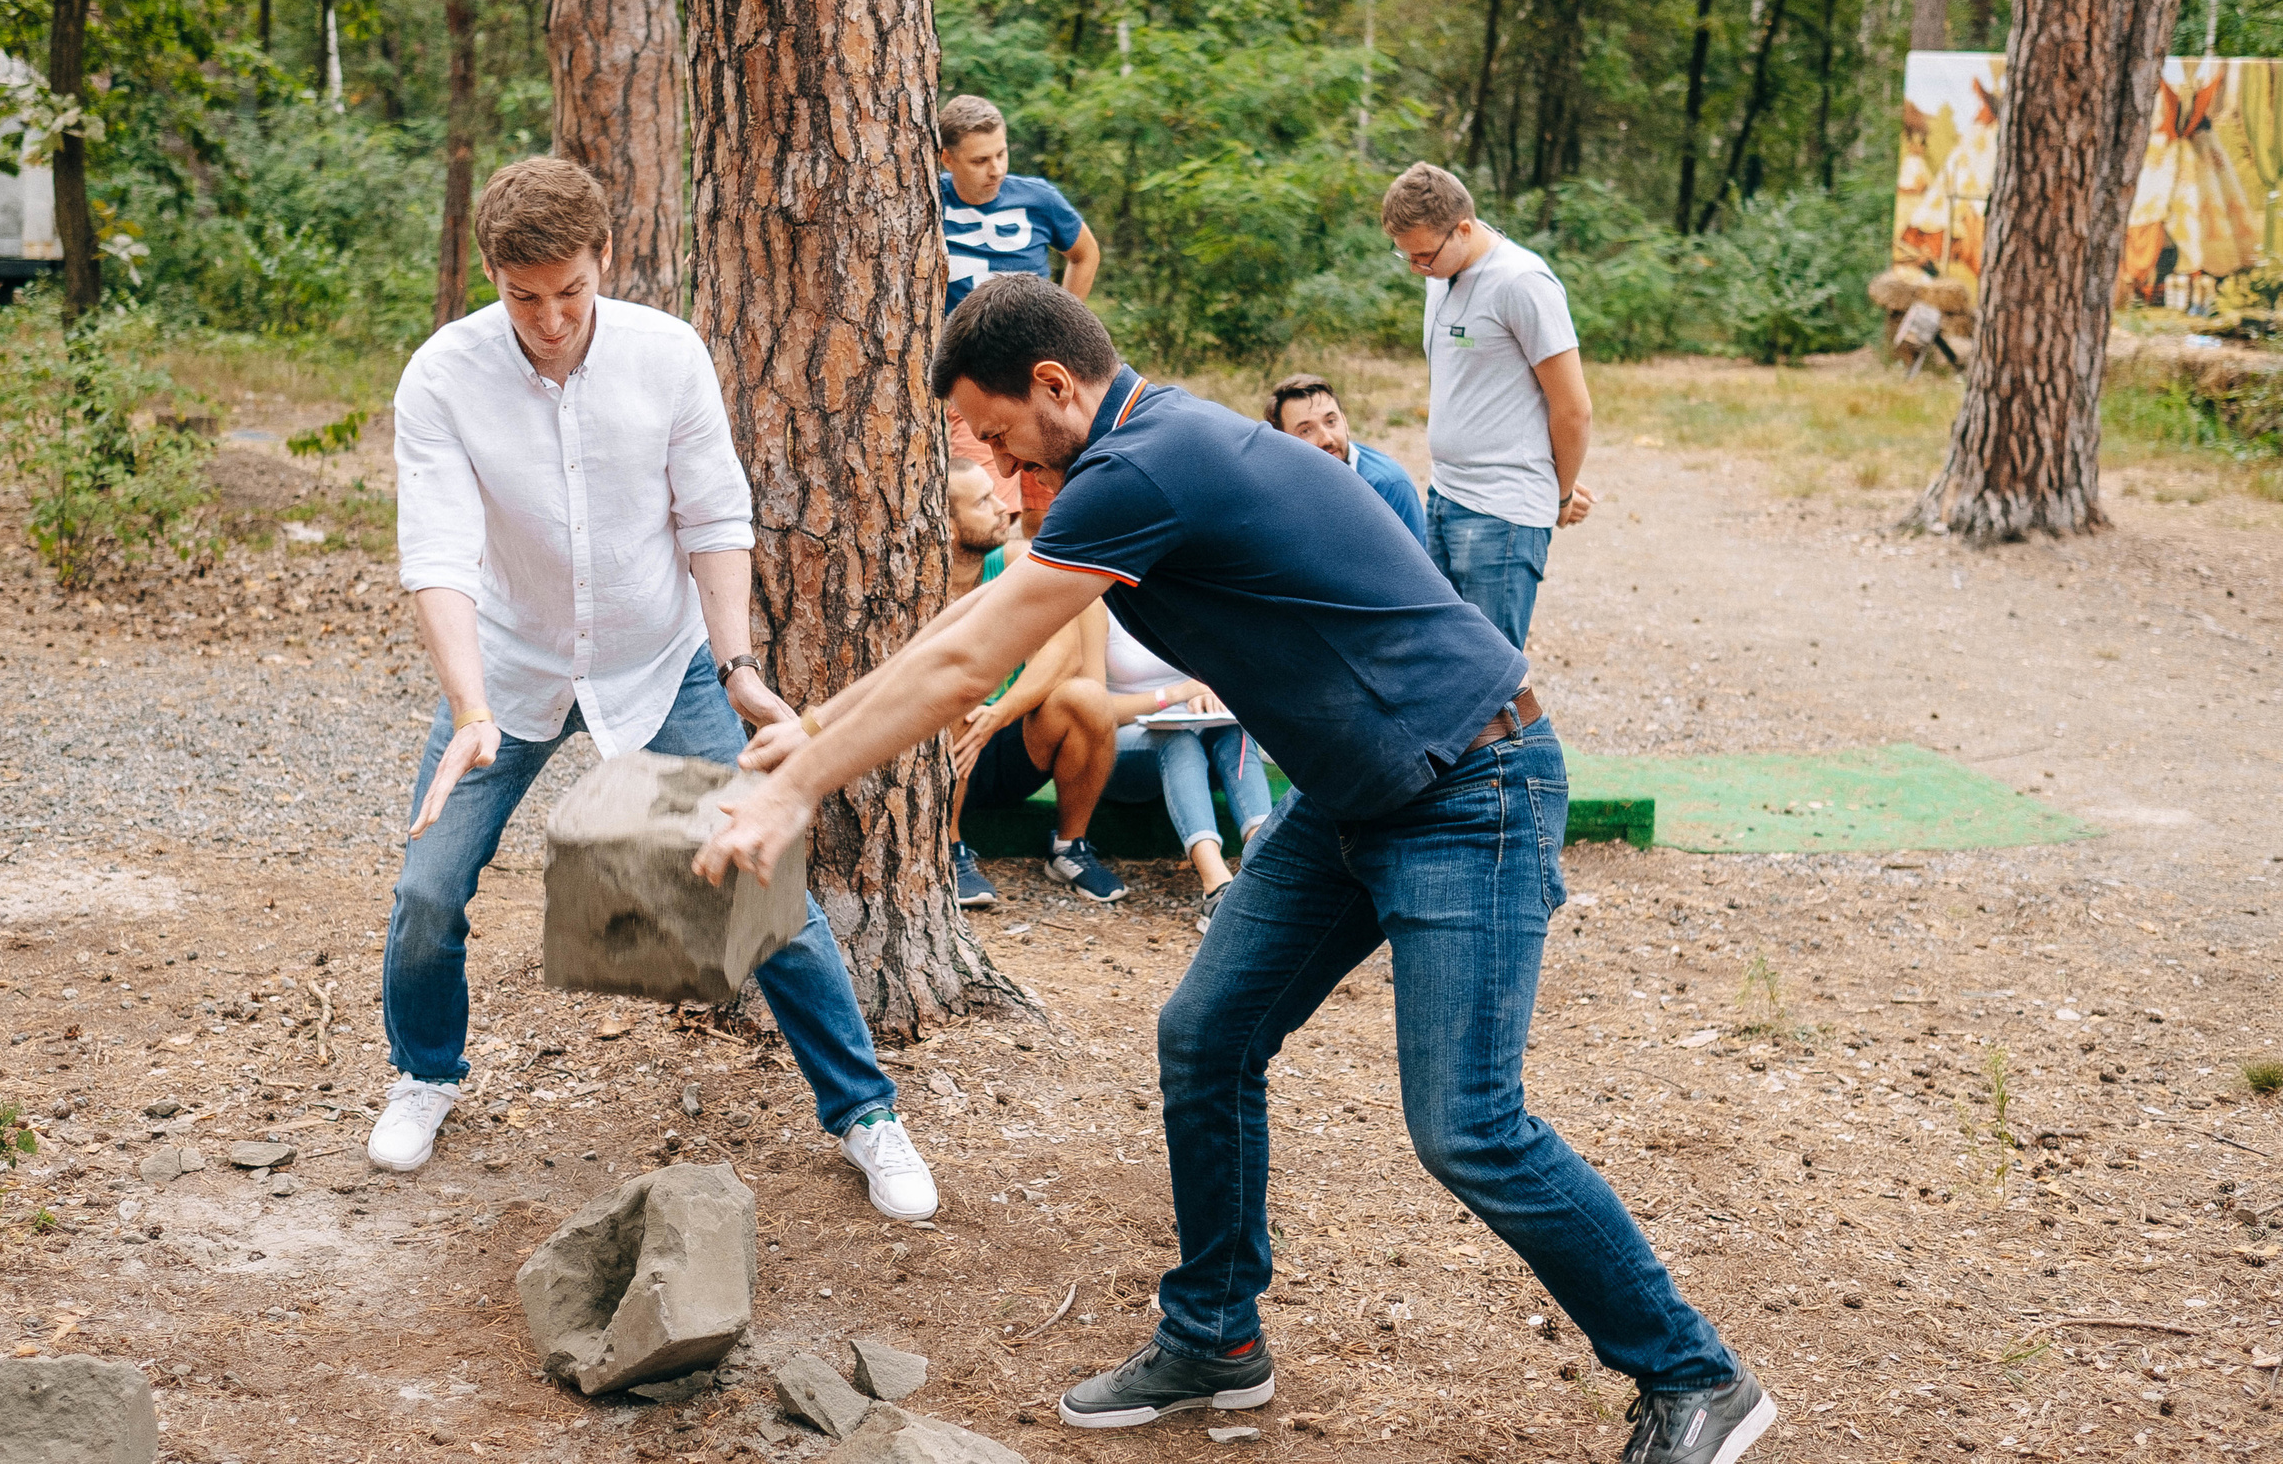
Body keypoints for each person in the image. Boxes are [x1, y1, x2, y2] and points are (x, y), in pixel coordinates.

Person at [695, 273, 1773, 1464]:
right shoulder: (1145, 450)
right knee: (1206, 1036)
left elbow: (966, 671)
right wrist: (815, 730)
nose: (999, 475)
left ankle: (1695, 1377)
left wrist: (792, 789)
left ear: (1056, 386)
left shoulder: (1144, 467)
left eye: (999, 437)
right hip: (1356, 794)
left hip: (1473, 785)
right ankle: (1215, 1337)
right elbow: (959, 638)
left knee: (1467, 1126)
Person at [377, 155, 938, 1223]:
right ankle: (425, 1075)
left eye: (570, 293)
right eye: (523, 298)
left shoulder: (666, 355)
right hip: (513, 667)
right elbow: (438, 552)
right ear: (491, 277)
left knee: (761, 881)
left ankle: (865, 1113)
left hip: (661, 658)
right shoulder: (443, 376)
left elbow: (713, 517)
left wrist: (735, 666)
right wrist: (468, 709)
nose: (549, 320)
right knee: (427, 887)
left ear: (604, 260)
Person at [1381, 164, 1595, 650]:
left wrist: (1558, 496)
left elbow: (1573, 408)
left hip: (1500, 516)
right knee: (1438, 658)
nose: (1417, 268)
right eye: (1406, 256)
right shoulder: (1442, 270)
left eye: (1423, 255)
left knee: (1489, 677)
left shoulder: (1522, 283)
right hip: (1443, 496)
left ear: (1463, 228)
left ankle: (1526, 734)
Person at [939, 458, 1128, 906]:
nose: (1004, 509)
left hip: (1007, 742)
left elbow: (1064, 654)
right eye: (983, 502)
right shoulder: (913, 582)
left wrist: (999, 714)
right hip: (933, 760)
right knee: (954, 698)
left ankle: (1069, 847)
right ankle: (948, 847)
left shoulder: (1014, 561)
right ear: (945, 524)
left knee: (1086, 698)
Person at [940, 94, 1102, 537]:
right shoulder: (927, 198)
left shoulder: (1036, 197)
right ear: (947, 158)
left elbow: (1084, 254)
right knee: (990, 515)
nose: (995, 169)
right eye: (979, 160)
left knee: (1052, 514)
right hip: (974, 383)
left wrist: (1066, 323)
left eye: (1001, 153)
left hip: (1043, 381)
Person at [1096, 606, 1270, 929]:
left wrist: (1215, 690)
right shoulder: (1099, 603)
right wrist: (1175, 693)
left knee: (1234, 733)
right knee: (1178, 742)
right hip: (1119, 749)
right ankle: (1216, 888)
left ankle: (1271, 869)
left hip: (1196, 731)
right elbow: (1091, 708)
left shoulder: (1181, 588)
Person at [1265, 372, 1427, 545]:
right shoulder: (1274, 488)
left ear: (1345, 421)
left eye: (1331, 421)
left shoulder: (1386, 485)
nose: (1327, 439)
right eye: (1306, 430)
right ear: (1281, 442)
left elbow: (1409, 569)